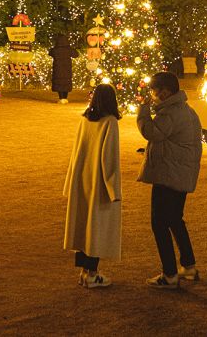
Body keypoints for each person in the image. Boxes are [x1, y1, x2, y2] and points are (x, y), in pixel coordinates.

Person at [137, 70, 202, 289]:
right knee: (175, 218)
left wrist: (143, 111)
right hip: (181, 171)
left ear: (165, 92)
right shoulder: (186, 110)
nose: (153, 95)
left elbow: (151, 132)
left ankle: (170, 274)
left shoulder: (170, 113)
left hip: (169, 173)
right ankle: (188, 265)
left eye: (154, 91)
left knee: (159, 222)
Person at [63, 83, 121, 289]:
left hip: (82, 179)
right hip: (98, 181)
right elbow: (110, 158)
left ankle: (84, 271)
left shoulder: (85, 120)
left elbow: (76, 151)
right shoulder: (110, 122)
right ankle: (93, 273)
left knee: (83, 224)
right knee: (96, 227)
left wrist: (70, 180)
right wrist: (113, 188)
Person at [49, 33, 78, 103]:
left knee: (59, 82)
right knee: (66, 82)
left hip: (57, 69)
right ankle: (65, 98)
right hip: (67, 69)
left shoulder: (55, 50)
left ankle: (61, 98)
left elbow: (50, 53)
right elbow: (76, 54)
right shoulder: (69, 49)